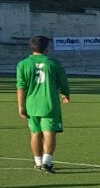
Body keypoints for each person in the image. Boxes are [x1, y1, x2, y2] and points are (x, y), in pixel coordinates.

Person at [15, 35, 70, 174]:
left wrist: (21, 106)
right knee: (49, 132)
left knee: (35, 133)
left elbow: (21, 87)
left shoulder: (23, 64)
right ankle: (47, 162)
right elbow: (63, 80)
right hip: (49, 104)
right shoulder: (53, 63)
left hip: (31, 105)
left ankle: (38, 162)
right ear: (46, 48)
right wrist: (65, 93)